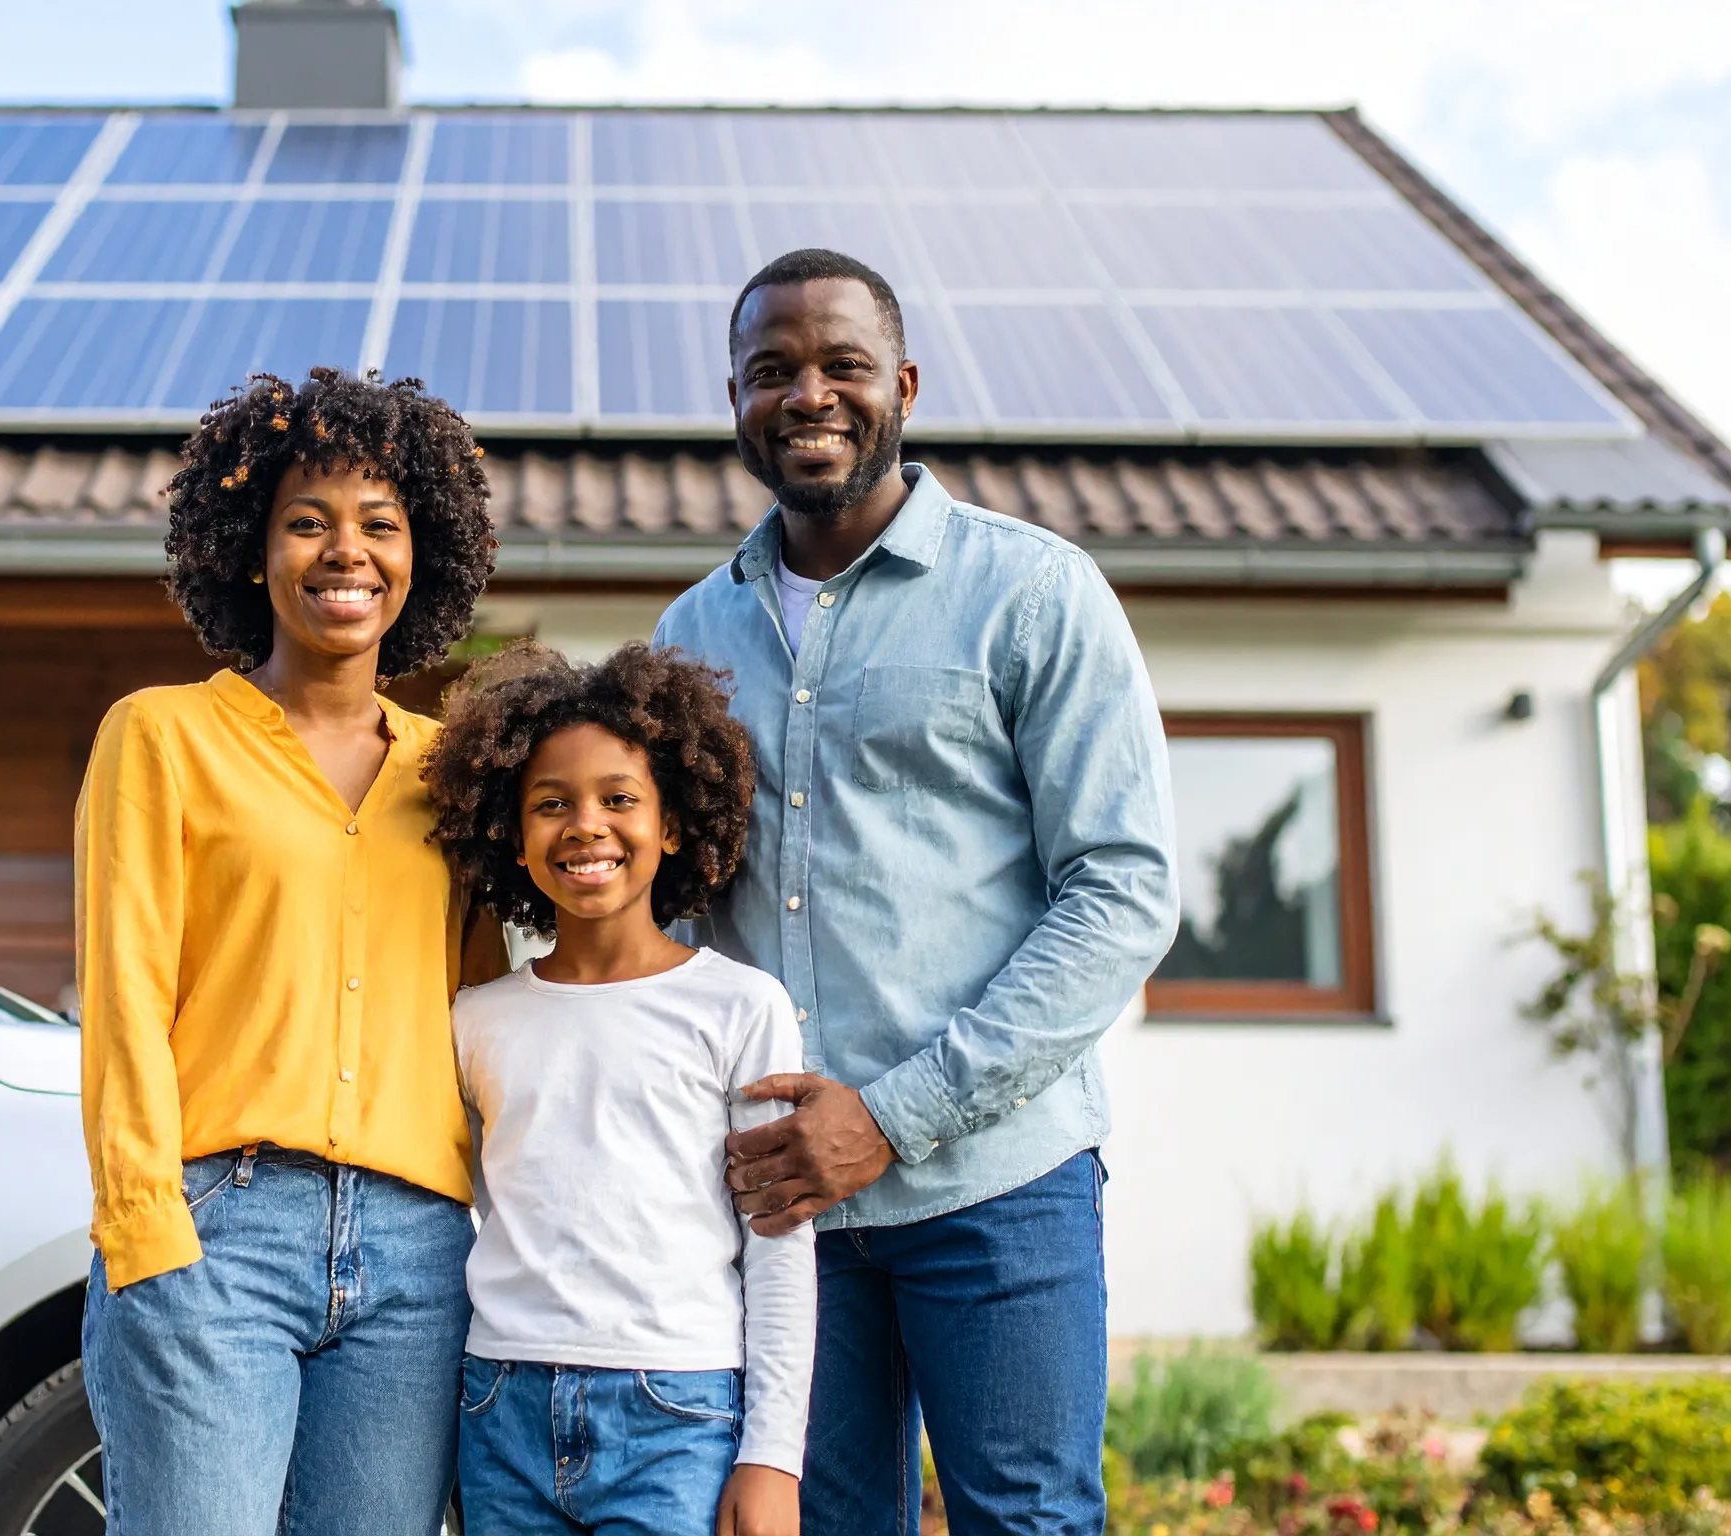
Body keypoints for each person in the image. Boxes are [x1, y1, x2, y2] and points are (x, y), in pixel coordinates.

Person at [652, 248, 1180, 1536]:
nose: (808, 395)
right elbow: (667, 919)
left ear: (904, 383)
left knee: (1028, 1521)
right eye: (771, 372)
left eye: (841, 364)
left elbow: (1122, 891)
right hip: (780, 1204)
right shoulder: (685, 643)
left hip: (998, 1185)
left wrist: (893, 1117)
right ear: (735, 401)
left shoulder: (1036, 594)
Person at [74, 366, 500, 1536]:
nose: (343, 553)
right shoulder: (160, 738)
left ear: (423, 556)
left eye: (379, 524)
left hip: (419, 1254)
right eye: (305, 523)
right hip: (218, 1231)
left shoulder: (453, 771)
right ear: (249, 552)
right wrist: (148, 1236)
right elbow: (123, 998)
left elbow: (485, 1015)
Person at [425, 641, 813, 1536]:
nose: (585, 825)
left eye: (619, 799)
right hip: (499, 1402)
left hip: (676, 1414)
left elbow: (781, 1246)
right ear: (511, 835)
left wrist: (772, 1455)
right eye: (550, 804)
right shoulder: (477, 1019)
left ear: (672, 824)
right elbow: (478, 1205)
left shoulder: (740, 1006)